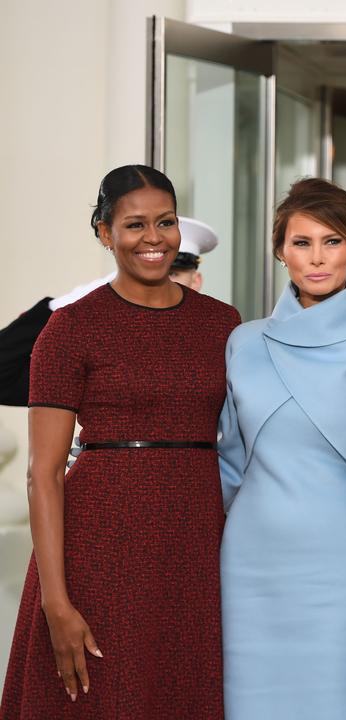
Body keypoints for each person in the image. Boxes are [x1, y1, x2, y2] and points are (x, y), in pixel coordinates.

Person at [0, 165, 240, 719]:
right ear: (105, 233)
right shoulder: (69, 329)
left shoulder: (223, 324)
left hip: (195, 545)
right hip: (99, 544)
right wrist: (55, 602)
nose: (153, 238)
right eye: (134, 225)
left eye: (166, 222)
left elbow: (256, 427)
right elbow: (43, 472)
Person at [218, 177, 346, 719]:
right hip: (247, 572)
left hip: (345, 572)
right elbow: (225, 467)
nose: (318, 258)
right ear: (280, 250)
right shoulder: (244, 341)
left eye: (333, 241)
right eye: (301, 242)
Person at [0, 216, 221, 407]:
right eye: (143, 272)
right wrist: (61, 306)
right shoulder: (101, 349)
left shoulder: (219, 336)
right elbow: (5, 378)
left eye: (172, 273)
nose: (157, 282)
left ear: (196, 281)